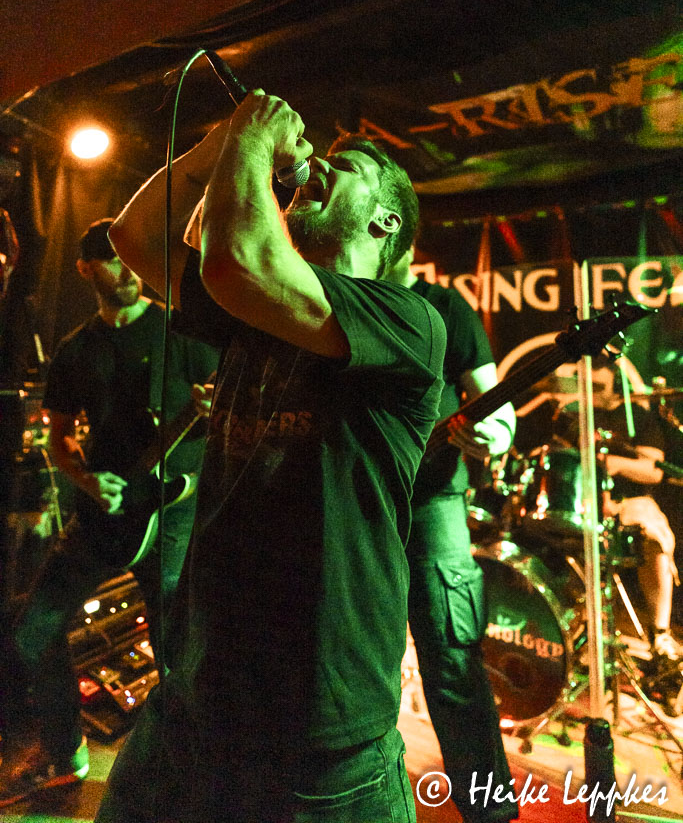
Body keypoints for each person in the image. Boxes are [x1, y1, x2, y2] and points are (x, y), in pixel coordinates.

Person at [92, 93, 446, 823]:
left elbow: (239, 261)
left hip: (316, 742)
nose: (319, 167)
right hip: (192, 705)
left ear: (385, 221)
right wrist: (219, 141)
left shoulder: (407, 323)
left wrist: (251, 142)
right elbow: (135, 237)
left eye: (345, 168)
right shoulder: (254, 311)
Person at [0, 219, 219, 809]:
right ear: (84, 269)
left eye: (129, 259)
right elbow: (60, 436)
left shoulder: (182, 332)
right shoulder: (77, 350)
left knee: (177, 656)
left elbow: (234, 419)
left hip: (171, 514)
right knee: (32, 630)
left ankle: (183, 777)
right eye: (109, 260)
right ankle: (64, 752)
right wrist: (86, 480)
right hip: (104, 513)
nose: (124, 270)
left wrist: (212, 413)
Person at [386, 248, 517, 823]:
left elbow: (496, 404)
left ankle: (488, 809)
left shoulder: (443, 307)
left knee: (452, 659)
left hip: (433, 500)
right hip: (358, 500)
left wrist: (495, 432)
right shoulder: (339, 298)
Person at [524, 358, 681, 668]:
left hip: (629, 503)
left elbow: (654, 470)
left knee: (655, 538)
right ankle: (569, 633)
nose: (591, 387)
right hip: (581, 505)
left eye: (597, 382)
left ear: (614, 380)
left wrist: (615, 465)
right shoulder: (575, 417)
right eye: (586, 382)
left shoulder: (637, 417)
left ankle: (660, 633)